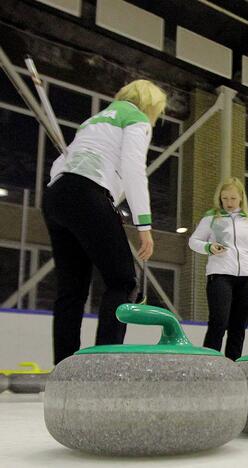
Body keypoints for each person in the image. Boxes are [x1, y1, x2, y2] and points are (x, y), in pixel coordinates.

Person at [44, 79, 166, 365]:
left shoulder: (92, 121)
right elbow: (134, 169)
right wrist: (144, 226)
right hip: (89, 193)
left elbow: (60, 165)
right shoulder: (135, 118)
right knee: (122, 281)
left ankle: (64, 369)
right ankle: (104, 364)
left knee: (71, 288)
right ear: (150, 105)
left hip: (56, 194)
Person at [189, 177, 248, 360]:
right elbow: (193, 241)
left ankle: (233, 364)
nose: (229, 203)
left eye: (233, 198)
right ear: (220, 198)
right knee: (219, 321)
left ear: (241, 197)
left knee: (238, 326)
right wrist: (208, 247)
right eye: (225, 198)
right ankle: (210, 363)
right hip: (220, 275)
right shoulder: (211, 216)